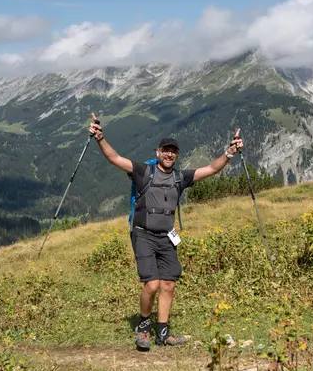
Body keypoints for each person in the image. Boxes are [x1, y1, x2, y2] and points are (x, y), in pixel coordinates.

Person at [88, 113, 243, 350]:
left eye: (173, 151)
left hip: (166, 237)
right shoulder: (143, 172)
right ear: (157, 152)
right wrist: (100, 137)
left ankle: (162, 332)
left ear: (176, 155)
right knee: (151, 285)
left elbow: (212, 169)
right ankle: (143, 327)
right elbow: (114, 158)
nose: (169, 154)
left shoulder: (181, 178)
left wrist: (230, 152)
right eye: (165, 150)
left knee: (169, 284)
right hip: (143, 234)